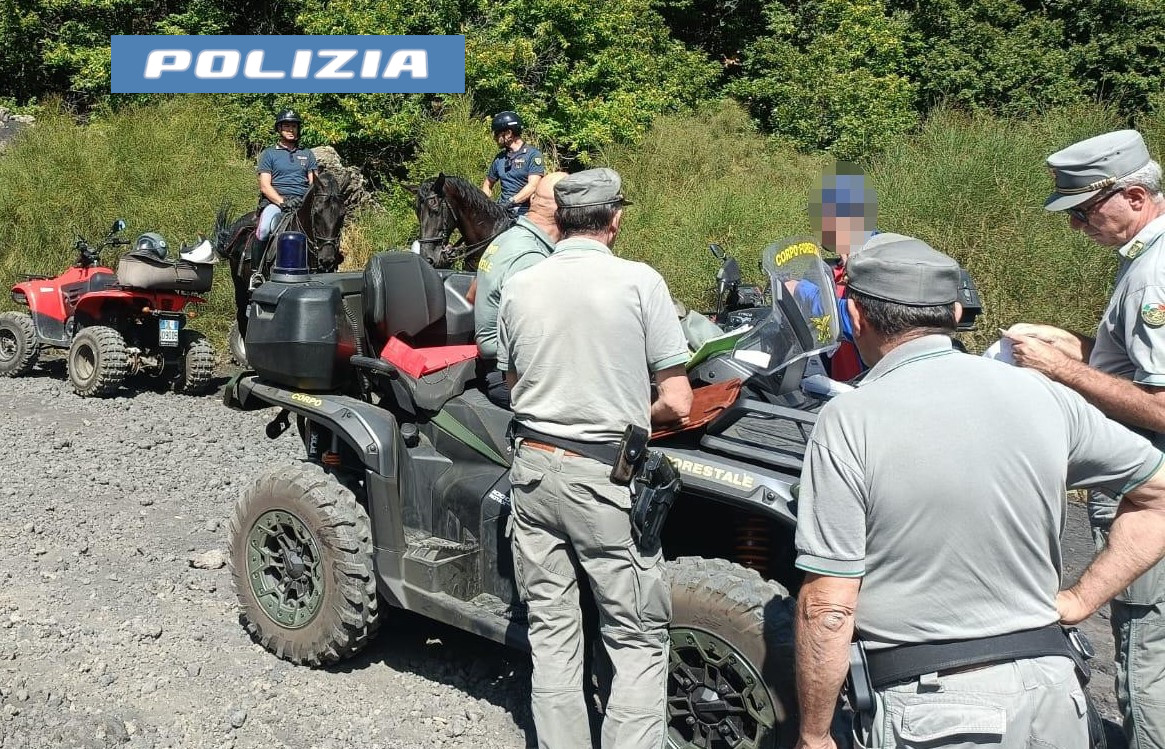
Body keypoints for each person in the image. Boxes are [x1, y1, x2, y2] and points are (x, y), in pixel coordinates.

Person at [793, 232, 1165, 749]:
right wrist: (1081, 598)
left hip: (932, 711)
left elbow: (828, 605)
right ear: (953, 312)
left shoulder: (848, 418)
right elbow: (1158, 496)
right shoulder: (1044, 395)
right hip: (1056, 698)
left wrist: (813, 735)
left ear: (855, 316)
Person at [496, 168, 693, 749]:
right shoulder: (640, 283)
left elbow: (515, 384)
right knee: (635, 637)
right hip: (605, 477)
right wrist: (631, 412)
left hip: (532, 470)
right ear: (616, 218)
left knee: (552, 631)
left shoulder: (520, 285)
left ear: (558, 219)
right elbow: (678, 401)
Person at [1005, 129, 1165, 749]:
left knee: (1146, 659)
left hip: (1150, 495)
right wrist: (1086, 350)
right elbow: (1141, 369)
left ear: (1134, 197)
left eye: (1084, 210)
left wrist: (1062, 371)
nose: (1075, 225)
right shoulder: (1147, 259)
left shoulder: (1152, 277)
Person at [471, 171, 567, 408]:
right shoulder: (532, 257)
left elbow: (472, 295)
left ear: (532, 199)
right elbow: (538, 338)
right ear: (566, 213)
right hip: (508, 376)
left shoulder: (505, 239)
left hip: (490, 365)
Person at [808, 163, 877, 380]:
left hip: (873, 384)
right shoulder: (836, 266)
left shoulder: (879, 257)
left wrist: (801, 292)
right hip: (841, 386)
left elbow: (866, 321)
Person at [251, 108, 318, 266]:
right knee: (264, 229)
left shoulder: (307, 154)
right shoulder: (269, 154)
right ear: (279, 129)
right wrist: (283, 202)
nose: (291, 130)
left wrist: (306, 201)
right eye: (287, 126)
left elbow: (315, 183)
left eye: (294, 126)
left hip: (302, 203)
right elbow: (265, 186)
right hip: (276, 204)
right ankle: (256, 272)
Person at [482, 111, 545, 216]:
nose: (494, 138)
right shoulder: (500, 158)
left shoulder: (533, 155)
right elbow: (488, 183)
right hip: (502, 210)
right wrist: (485, 202)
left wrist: (510, 202)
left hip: (525, 211)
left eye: (497, 134)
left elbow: (533, 186)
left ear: (508, 133)